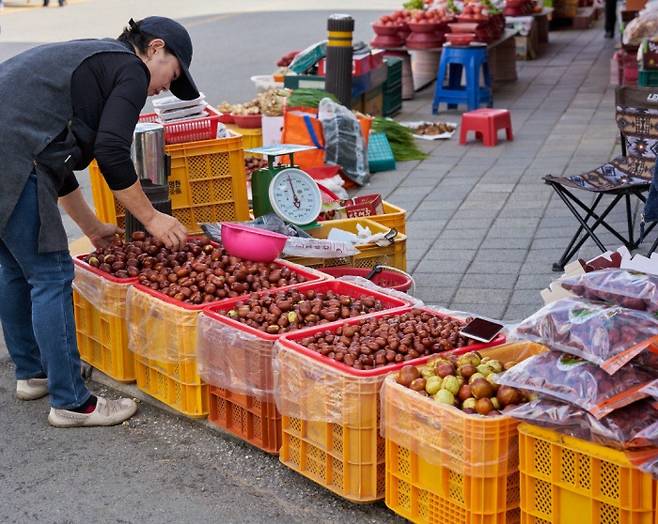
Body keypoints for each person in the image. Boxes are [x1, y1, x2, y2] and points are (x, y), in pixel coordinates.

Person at [0, 17, 197, 427]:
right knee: (51, 275)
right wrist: (151, 217)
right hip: (13, 156)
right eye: (171, 74)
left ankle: (32, 373)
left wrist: (92, 227)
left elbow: (56, 166)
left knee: (16, 268)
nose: (162, 87)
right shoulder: (129, 67)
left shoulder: (95, 59)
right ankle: (72, 402)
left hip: (15, 150)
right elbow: (111, 150)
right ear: (155, 48)